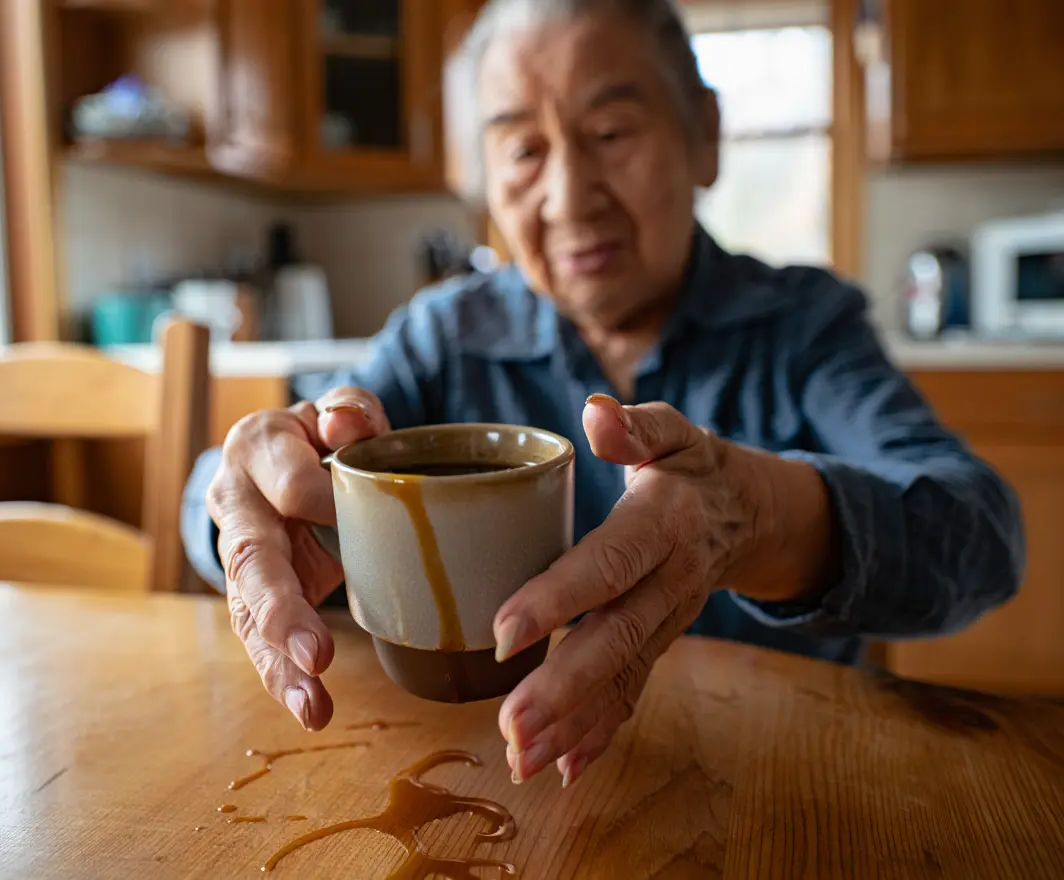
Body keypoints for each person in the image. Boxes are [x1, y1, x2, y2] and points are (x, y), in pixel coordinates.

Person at [182, 0, 1024, 789]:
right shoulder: (442, 336)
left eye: (611, 131)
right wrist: (243, 500)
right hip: (488, 782)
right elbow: (263, 468)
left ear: (706, 136)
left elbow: (981, 535)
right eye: (523, 150)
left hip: (774, 776)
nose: (569, 196)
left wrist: (756, 519)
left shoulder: (804, 325)